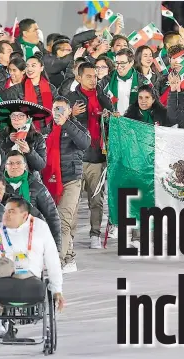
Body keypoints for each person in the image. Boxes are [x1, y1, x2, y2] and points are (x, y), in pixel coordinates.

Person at [0, 197, 64, 312]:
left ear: (24, 215)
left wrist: (57, 291)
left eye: (11, 212)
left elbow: (52, 260)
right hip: (2, 279)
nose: (6, 215)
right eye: (5, 211)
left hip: (30, 278)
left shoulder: (40, 228)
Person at [66, 62, 113, 249]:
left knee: (96, 200)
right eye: (88, 76)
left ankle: (95, 234)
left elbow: (112, 125)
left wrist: (110, 117)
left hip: (97, 157)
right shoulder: (70, 99)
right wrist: (71, 114)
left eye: (95, 76)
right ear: (78, 78)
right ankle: (69, 234)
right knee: (72, 201)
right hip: (76, 157)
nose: (93, 80)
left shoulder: (103, 97)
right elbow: (60, 123)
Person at [41, 97, 90, 273]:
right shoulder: (46, 131)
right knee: (64, 222)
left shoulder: (76, 127)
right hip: (51, 181)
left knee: (62, 221)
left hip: (71, 180)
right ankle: (69, 258)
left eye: (62, 109)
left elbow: (85, 143)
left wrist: (67, 124)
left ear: (69, 111)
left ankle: (57, 261)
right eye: (55, 109)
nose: (58, 113)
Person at [4, 151, 62, 250]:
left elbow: (52, 216)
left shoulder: (37, 187)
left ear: (25, 166)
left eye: (18, 163)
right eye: (11, 163)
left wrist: (56, 247)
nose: (14, 167)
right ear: (5, 166)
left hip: (33, 240)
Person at [100, 48, 153, 116]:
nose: (118, 67)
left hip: (134, 123)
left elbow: (152, 105)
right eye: (116, 63)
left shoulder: (143, 82)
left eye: (122, 63)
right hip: (113, 123)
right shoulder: (106, 80)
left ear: (131, 63)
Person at [0, 110, 47, 175]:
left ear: (28, 118)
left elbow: (40, 166)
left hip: (30, 179)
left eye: (21, 116)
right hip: (6, 178)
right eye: (13, 116)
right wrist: (8, 142)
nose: (16, 119)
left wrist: (29, 152)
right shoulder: (2, 134)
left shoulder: (37, 137)